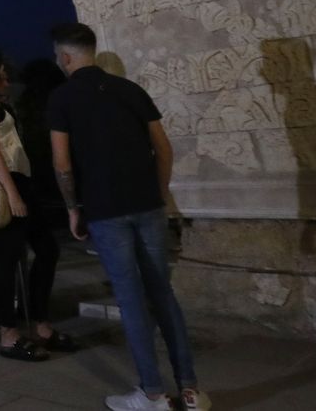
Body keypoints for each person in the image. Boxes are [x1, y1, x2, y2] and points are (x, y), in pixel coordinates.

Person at [48, 22, 209, 411]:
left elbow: (62, 163)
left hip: (105, 210)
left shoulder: (62, 99)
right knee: (162, 293)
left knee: (131, 298)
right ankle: (190, 390)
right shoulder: (131, 90)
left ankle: (153, 394)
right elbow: (163, 148)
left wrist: (72, 208)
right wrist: (160, 192)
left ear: (65, 57)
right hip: (147, 204)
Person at [0, 46, 72, 363]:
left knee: (46, 249)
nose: (6, 76)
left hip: (18, 180)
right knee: (7, 257)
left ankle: (40, 323)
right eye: (1, 71)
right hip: (4, 183)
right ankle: (9, 333)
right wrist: (12, 193)